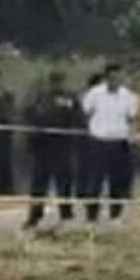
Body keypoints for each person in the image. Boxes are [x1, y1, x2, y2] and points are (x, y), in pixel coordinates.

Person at [80, 63, 140, 222]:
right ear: (107, 78)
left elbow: (132, 119)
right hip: (98, 142)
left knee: (118, 181)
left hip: (119, 142)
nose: (116, 81)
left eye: (118, 77)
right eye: (112, 78)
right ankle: (91, 216)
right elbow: (85, 113)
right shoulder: (95, 93)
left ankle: (115, 215)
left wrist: (133, 139)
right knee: (95, 180)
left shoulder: (128, 96)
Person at [23, 70, 83, 229]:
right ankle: (35, 215)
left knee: (64, 183)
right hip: (43, 146)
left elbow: (78, 118)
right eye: (55, 81)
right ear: (50, 82)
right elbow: (29, 115)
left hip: (63, 146)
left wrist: (73, 133)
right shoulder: (41, 97)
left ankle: (66, 215)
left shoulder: (69, 98)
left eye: (60, 81)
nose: (58, 84)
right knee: (38, 184)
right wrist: (32, 137)